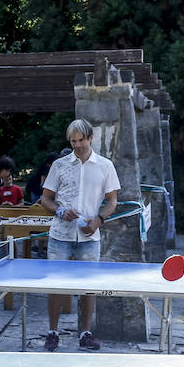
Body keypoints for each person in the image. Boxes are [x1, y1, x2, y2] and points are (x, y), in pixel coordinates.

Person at [38, 120, 120, 352]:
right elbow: (45, 198)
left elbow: (112, 201)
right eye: (73, 141)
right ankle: (53, 332)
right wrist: (61, 211)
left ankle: (85, 333)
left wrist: (98, 220)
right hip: (61, 234)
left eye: (81, 140)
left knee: (88, 286)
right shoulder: (59, 165)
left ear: (90, 138)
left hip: (89, 235)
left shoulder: (105, 166)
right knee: (55, 285)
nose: (77, 145)